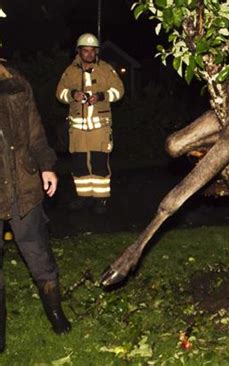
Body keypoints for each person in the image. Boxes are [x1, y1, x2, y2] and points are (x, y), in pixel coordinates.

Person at [0, 62, 71, 353]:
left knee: (38, 253)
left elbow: (35, 131)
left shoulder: (16, 81)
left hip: (23, 186)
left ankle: (56, 315)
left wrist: (45, 166)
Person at [56, 33, 124, 214]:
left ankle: (101, 200)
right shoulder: (70, 71)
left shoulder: (106, 69)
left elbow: (119, 90)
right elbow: (59, 93)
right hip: (77, 130)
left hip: (100, 129)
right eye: (85, 51)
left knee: (99, 163)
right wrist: (72, 95)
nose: (89, 54)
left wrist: (102, 95)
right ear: (79, 51)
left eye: (92, 51)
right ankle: (83, 197)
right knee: (79, 164)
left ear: (96, 52)